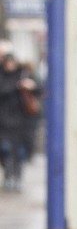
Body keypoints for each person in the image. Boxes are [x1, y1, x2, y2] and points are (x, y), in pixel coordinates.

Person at [0, 53, 39, 191]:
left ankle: (16, 178)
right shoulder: (3, 76)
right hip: (4, 121)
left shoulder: (24, 74)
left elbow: (39, 90)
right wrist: (17, 86)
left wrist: (31, 86)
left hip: (21, 121)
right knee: (6, 151)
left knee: (18, 152)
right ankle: (9, 176)